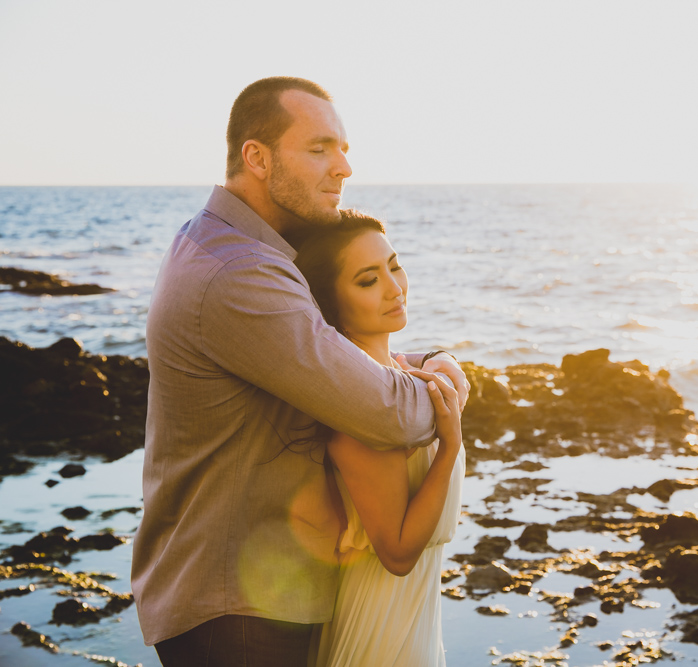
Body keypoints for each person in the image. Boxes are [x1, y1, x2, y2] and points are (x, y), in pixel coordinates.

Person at [131, 76, 470, 666]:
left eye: (342, 149)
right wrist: (451, 390)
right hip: (237, 610)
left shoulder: (222, 245)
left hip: (248, 594)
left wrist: (427, 361)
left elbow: (330, 356)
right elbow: (387, 412)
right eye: (319, 149)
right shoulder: (238, 272)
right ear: (256, 158)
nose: (342, 168)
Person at [293, 213, 464, 666]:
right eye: (369, 280)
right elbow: (397, 551)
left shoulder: (400, 381)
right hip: (380, 623)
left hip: (415, 613)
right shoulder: (364, 407)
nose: (394, 287)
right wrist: (448, 450)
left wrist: (440, 358)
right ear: (331, 302)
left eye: (394, 265)